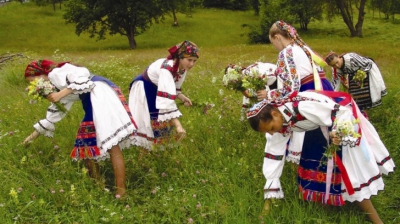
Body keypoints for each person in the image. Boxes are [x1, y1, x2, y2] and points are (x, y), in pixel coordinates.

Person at [247, 90, 395, 224]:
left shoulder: (303, 107)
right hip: (318, 126)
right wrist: (268, 203)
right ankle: (328, 209)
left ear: (274, 114)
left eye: (272, 128)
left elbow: (341, 112)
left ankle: (376, 220)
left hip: (342, 117)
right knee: (318, 167)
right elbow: (273, 156)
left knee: (350, 173)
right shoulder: (279, 121)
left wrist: (338, 132)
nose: (272, 133)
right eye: (269, 132)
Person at [22, 59, 137, 198]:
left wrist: (59, 94)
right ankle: (101, 185)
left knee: (108, 144)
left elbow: (83, 78)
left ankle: (120, 190)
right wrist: (29, 139)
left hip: (100, 96)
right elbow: (53, 115)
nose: (34, 85)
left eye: (33, 81)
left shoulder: (56, 73)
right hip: (94, 98)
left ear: (40, 74)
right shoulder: (57, 85)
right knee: (86, 145)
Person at [256, 20, 335, 206]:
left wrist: (269, 94)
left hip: (308, 99)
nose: (275, 47)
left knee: (315, 143)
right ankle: (330, 188)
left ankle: (320, 191)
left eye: (272, 42)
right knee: (328, 141)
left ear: (277, 37)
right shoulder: (304, 48)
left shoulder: (287, 52)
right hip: (324, 93)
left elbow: (290, 88)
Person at [128, 40, 199, 151]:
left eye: (194, 61)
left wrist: (181, 96)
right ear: (180, 57)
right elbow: (166, 101)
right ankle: (146, 153)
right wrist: (178, 125)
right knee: (150, 121)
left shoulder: (182, 68)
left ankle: (159, 151)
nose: (191, 64)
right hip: (145, 87)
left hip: (157, 88)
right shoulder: (168, 67)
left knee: (161, 121)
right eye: (189, 60)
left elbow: (173, 88)